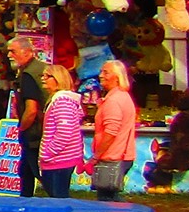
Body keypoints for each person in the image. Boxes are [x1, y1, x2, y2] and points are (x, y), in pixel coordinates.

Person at [91, 59, 138, 201]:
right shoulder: (123, 97)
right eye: (101, 71)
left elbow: (111, 132)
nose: (101, 75)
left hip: (113, 156)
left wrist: (96, 156)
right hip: (122, 154)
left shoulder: (113, 101)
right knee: (110, 196)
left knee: (107, 198)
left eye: (106, 72)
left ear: (117, 77)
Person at [38, 63, 85, 199]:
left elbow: (64, 132)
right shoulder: (61, 100)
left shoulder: (62, 101)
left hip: (59, 160)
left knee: (58, 198)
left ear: (58, 79)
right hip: (59, 159)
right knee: (57, 196)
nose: (43, 79)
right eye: (43, 75)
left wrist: (48, 153)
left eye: (48, 76)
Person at [8, 40, 46, 198]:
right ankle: (25, 200)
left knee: (37, 172)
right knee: (26, 170)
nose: (9, 55)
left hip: (34, 132)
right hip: (43, 129)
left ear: (27, 52)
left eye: (13, 51)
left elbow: (31, 110)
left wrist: (22, 128)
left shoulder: (29, 74)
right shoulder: (42, 68)